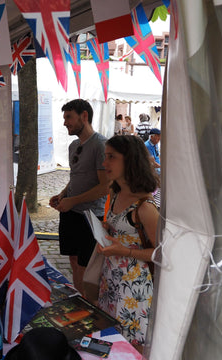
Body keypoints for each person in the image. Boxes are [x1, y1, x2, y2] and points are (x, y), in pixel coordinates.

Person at [97, 135, 159, 348]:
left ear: (130, 160)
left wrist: (127, 251)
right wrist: (105, 229)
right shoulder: (116, 192)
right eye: (106, 157)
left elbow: (162, 253)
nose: (105, 163)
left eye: (111, 157)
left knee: (129, 346)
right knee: (110, 340)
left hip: (134, 289)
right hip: (112, 279)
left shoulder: (145, 207)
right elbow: (120, 228)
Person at [49, 99, 108, 295]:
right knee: (73, 261)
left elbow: (105, 187)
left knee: (86, 265)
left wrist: (72, 200)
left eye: (69, 117)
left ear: (84, 116)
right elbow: (75, 177)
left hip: (90, 217)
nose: (65, 122)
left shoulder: (101, 145)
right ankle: (79, 299)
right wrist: (63, 195)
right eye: (64, 117)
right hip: (70, 213)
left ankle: (87, 305)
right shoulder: (74, 145)